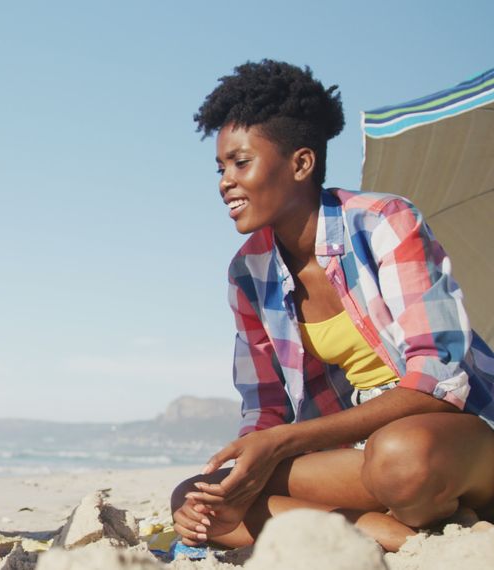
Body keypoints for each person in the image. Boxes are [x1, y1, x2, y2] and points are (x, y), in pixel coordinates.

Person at [170, 60, 494, 552]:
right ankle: (373, 526)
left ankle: (400, 507)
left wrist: (284, 443)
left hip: (453, 437)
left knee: (400, 458)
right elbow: (267, 410)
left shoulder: (384, 222)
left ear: (301, 164)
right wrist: (253, 460)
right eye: (220, 168)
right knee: (197, 498)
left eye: (240, 163)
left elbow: (437, 380)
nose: (224, 183)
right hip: (358, 455)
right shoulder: (248, 274)